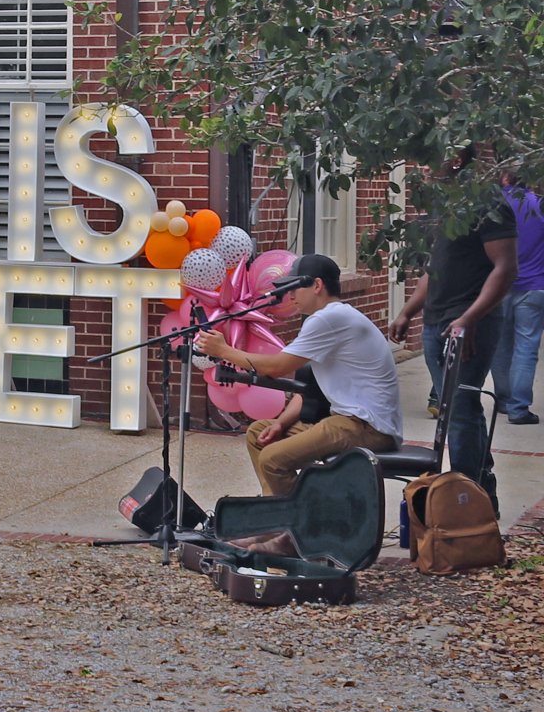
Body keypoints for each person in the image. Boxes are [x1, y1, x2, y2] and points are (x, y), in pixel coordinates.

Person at [196, 253, 402, 498]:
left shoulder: (329, 318)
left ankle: (298, 523)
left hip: (368, 427)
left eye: (295, 287)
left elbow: (276, 367)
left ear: (317, 285)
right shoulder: (332, 318)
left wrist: (223, 351)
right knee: (259, 434)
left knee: (272, 459)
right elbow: (308, 389)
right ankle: (273, 511)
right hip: (346, 421)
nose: (289, 296)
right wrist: (281, 424)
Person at [389, 196, 516, 511]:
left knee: (460, 409)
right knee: (459, 409)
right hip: (436, 322)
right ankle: (481, 491)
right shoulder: (444, 208)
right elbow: (435, 272)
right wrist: (407, 311)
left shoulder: (489, 205)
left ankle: (465, 503)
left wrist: (469, 317)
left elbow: (506, 268)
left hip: (470, 323)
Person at [491, 171, 544, 426]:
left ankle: (503, 399)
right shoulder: (539, 204)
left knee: (500, 345)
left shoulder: (493, 204)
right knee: (526, 347)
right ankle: (519, 408)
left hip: (499, 285)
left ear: (504, 176)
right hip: (534, 285)